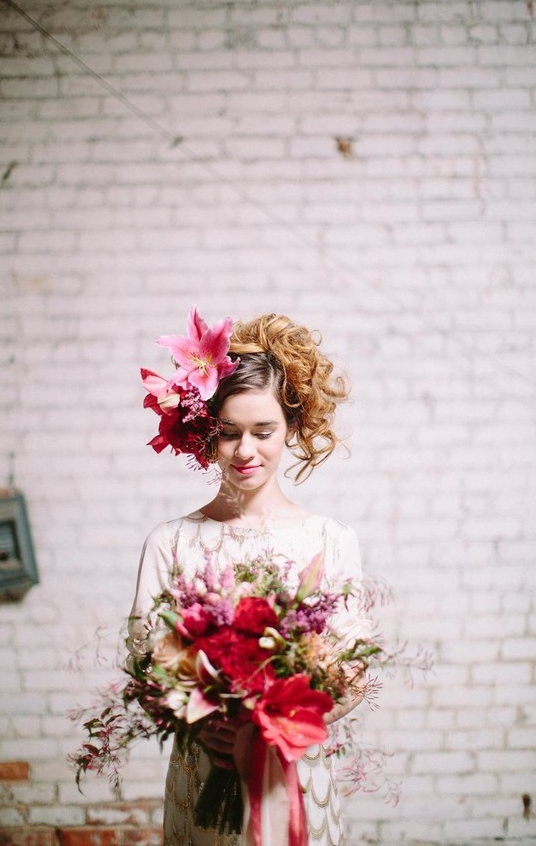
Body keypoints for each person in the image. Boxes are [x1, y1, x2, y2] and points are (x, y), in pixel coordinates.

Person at [128, 309, 370, 846]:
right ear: (205, 434)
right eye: (229, 432)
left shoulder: (330, 540)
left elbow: (353, 671)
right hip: (203, 770)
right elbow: (146, 665)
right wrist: (205, 717)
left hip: (295, 773)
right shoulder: (171, 542)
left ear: (291, 428)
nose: (245, 450)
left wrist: (268, 723)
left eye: (264, 431)